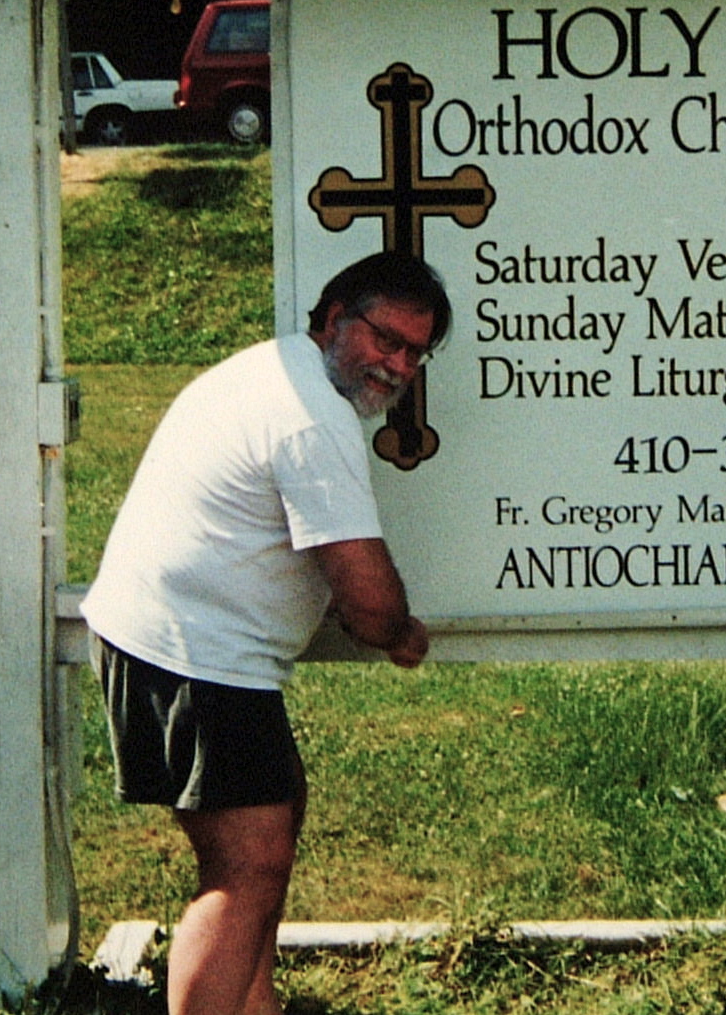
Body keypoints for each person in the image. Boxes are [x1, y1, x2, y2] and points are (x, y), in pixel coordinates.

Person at [80, 252, 446, 1015]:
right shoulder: (311, 418)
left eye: (415, 352)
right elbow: (366, 596)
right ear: (334, 316)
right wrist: (400, 632)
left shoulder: (275, 367)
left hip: (168, 636)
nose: (398, 364)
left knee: (266, 838)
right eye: (386, 338)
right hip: (196, 652)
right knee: (244, 868)